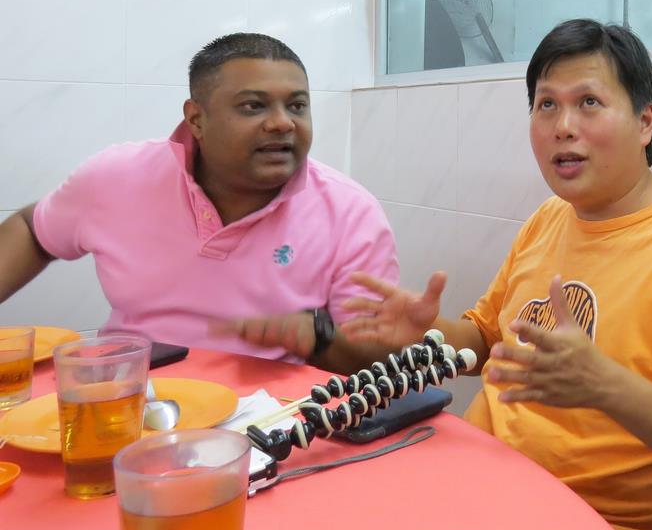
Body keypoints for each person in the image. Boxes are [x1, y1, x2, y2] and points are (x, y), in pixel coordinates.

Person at [339, 19, 652, 530]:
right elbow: (486, 342)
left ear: (645, 121)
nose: (563, 126)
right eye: (546, 104)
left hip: (583, 524)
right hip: (470, 485)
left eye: (589, 102)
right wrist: (424, 334)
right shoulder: (549, 218)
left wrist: (604, 386)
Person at [0, 33, 398, 372]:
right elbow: (34, 231)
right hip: (130, 398)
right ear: (196, 119)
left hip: (275, 418)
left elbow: (370, 362)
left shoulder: (350, 212)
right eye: (254, 105)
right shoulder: (115, 176)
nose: (282, 122)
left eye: (297, 105)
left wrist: (315, 338)